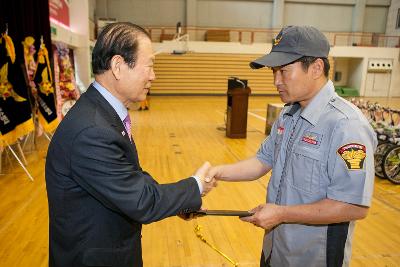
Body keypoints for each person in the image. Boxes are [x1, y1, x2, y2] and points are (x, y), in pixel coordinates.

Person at [45, 22, 216, 267]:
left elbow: (127, 177)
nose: (153, 76)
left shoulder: (102, 113)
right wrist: (195, 187)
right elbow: (140, 201)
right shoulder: (92, 131)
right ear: (118, 66)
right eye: (150, 66)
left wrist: (177, 202)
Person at [207, 26, 377, 267]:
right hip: (275, 250)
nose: (276, 81)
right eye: (274, 72)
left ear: (317, 68)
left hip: (311, 258)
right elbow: (261, 162)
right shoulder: (289, 115)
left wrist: (281, 214)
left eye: (284, 71)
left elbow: (353, 206)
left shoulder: (346, 126)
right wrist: (217, 172)